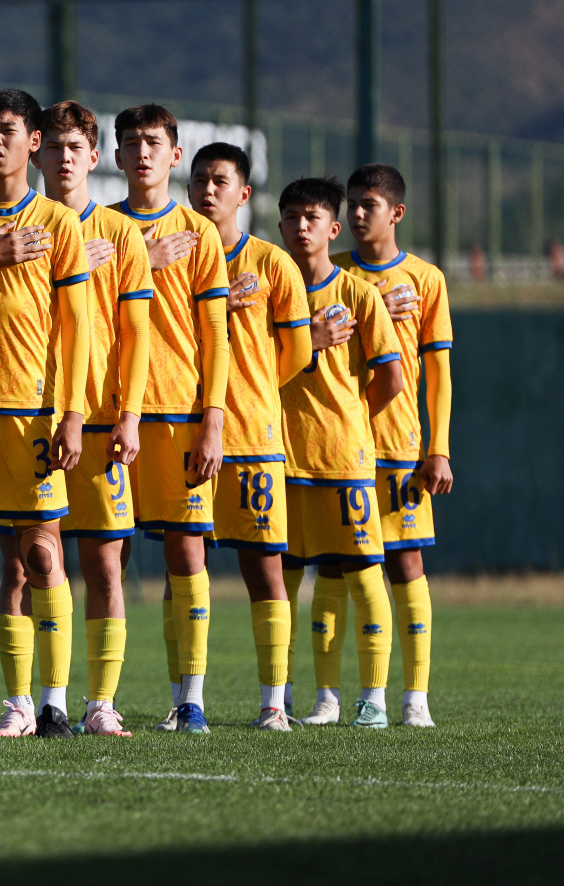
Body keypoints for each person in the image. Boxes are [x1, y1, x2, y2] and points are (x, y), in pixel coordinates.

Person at [0, 89, 90, 740]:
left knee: (37, 554)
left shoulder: (58, 223)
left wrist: (71, 413)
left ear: (34, 142)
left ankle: (48, 704)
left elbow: (76, 329)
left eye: (7, 130)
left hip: (27, 411)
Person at [111, 104, 229, 735]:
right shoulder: (99, 227)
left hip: (180, 414)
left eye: (153, 142)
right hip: (108, 416)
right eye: (131, 142)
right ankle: (98, 701)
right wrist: (140, 259)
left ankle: (189, 698)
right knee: (107, 559)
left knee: (186, 556)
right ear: (116, 156)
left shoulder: (200, 234)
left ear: (174, 154)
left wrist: (214, 421)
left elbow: (216, 336)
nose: (142, 152)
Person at [35, 101, 152, 738]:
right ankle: (31, 702)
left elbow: (136, 334)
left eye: (75, 148)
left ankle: (101, 701)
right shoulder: (23, 226)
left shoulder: (121, 234)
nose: (64, 159)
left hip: (101, 418)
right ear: (37, 153)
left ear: (94, 157)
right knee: (30, 561)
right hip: (31, 413)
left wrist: (129, 415)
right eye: (53, 147)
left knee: (105, 566)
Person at [185, 143, 311, 731]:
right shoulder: (176, 254)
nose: (208, 190)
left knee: (264, 569)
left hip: (252, 437)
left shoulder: (272, 264)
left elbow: (298, 352)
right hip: (185, 432)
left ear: (244, 194)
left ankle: (273, 703)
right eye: (199, 180)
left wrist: (253, 389)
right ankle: (187, 700)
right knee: (185, 565)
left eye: (220, 181)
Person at [275, 176, 405, 728]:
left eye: (312, 217)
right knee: (284, 578)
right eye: (292, 217)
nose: (301, 227)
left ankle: (373, 700)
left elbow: (391, 378)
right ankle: (296, 698)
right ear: (279, 225)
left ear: (333, 228)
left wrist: (349, 418)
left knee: (363, 571)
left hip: (343, 457)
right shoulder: (270, 289)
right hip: (280, 456)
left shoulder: (358, 295)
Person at [335, 164, 450, 727]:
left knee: (406, 563)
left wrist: (439, 448)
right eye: (352, 204)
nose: (357, 214)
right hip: (341, 442)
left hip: (401, 444)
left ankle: (416, 698)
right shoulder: (332, 272)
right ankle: (345, 698)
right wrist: (375, 306)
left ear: (396, 213)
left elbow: (439, 373)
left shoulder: (426, 279)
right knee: (342, 567)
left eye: (370, 205)